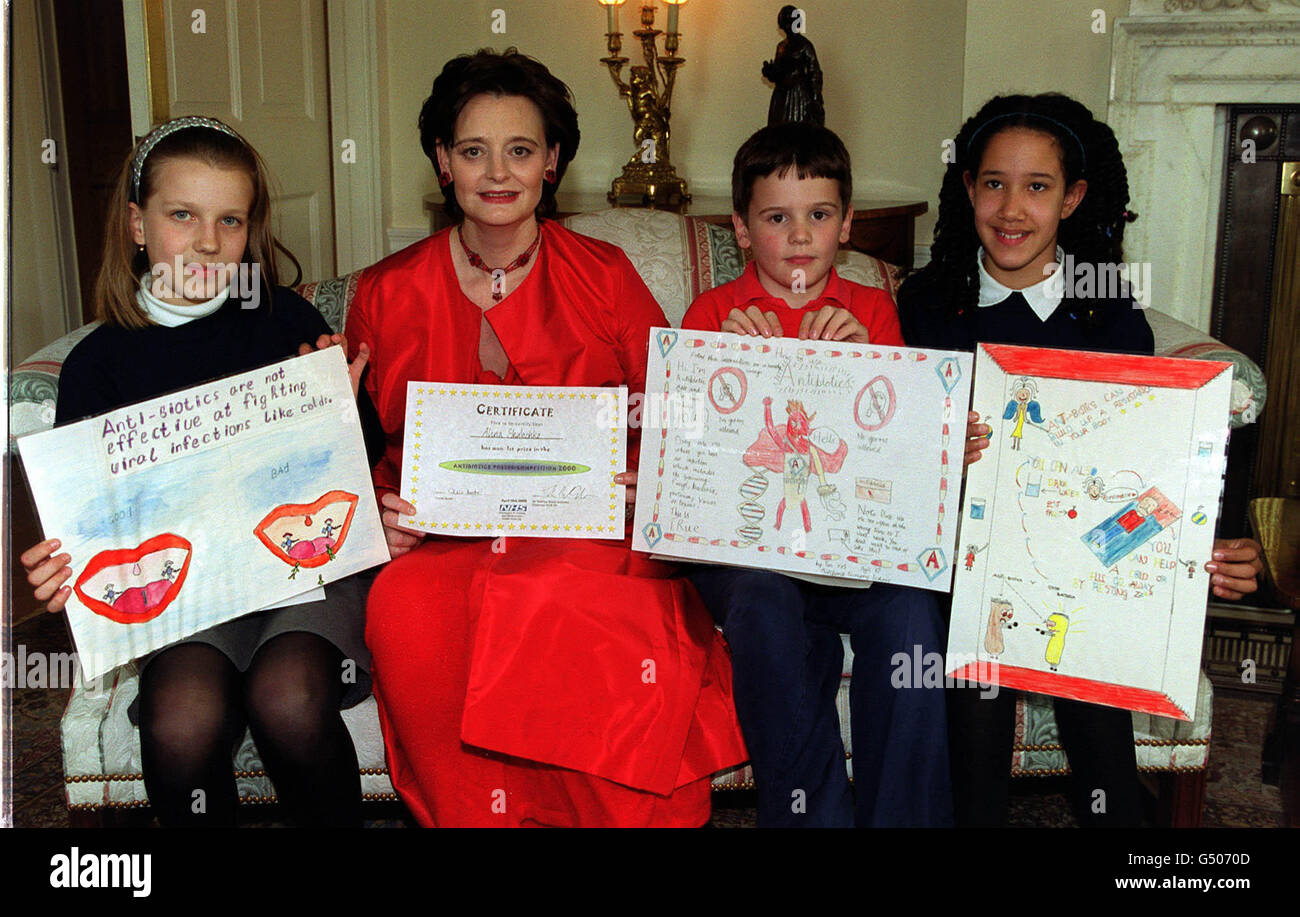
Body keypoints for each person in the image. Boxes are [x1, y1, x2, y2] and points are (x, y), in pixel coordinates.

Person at [346, 48, 747, 828]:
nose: (497, 171)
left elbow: (676, 420)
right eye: (472, 150)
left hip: (584, 534)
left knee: (556, 599)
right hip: (441, 541)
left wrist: (645, 480)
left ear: (552, 161)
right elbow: (355, 452)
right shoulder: (384, 291)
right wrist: (377, 516)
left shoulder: (605, 274)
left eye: (520, 150)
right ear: (442, 161)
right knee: (403, 606)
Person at [897, 92, 1265, 826]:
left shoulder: (1109, 314)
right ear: (967, 187)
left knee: (1092, 672)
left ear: (1073, 198)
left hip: (1082, 557)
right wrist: (940, 450)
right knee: (979, 682)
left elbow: (1151, 464)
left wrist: (1203, 550)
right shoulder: (927, 305)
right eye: (994, 182)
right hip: (964, 557)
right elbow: (898, 455)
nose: (1011, 207)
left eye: (1037, 187)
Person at [21, 117, 379, 827]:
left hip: (301, 569)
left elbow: (358, 468)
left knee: (289, 696)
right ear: (138, 224)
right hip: (184, 589)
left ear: (251, 229)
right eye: (182, 215)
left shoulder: (285, 322)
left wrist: (344, 401)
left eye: (230, 219)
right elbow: (85, 519)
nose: (208, 241)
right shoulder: (99, 364)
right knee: (182, 717)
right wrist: (58, 564)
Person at [679, 123, 951, 827]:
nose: (800, 235)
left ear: (848, 223)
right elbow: (691, 464)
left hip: (849, 543)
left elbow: (894, 456)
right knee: (768, 609)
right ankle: (811, 815)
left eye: (820, 214)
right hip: (746, 552)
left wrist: (871, 368)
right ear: (741, 227)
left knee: (911, 612)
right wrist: (715, 361)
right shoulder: (711, 315)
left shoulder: (873, 311)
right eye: (776, 217)